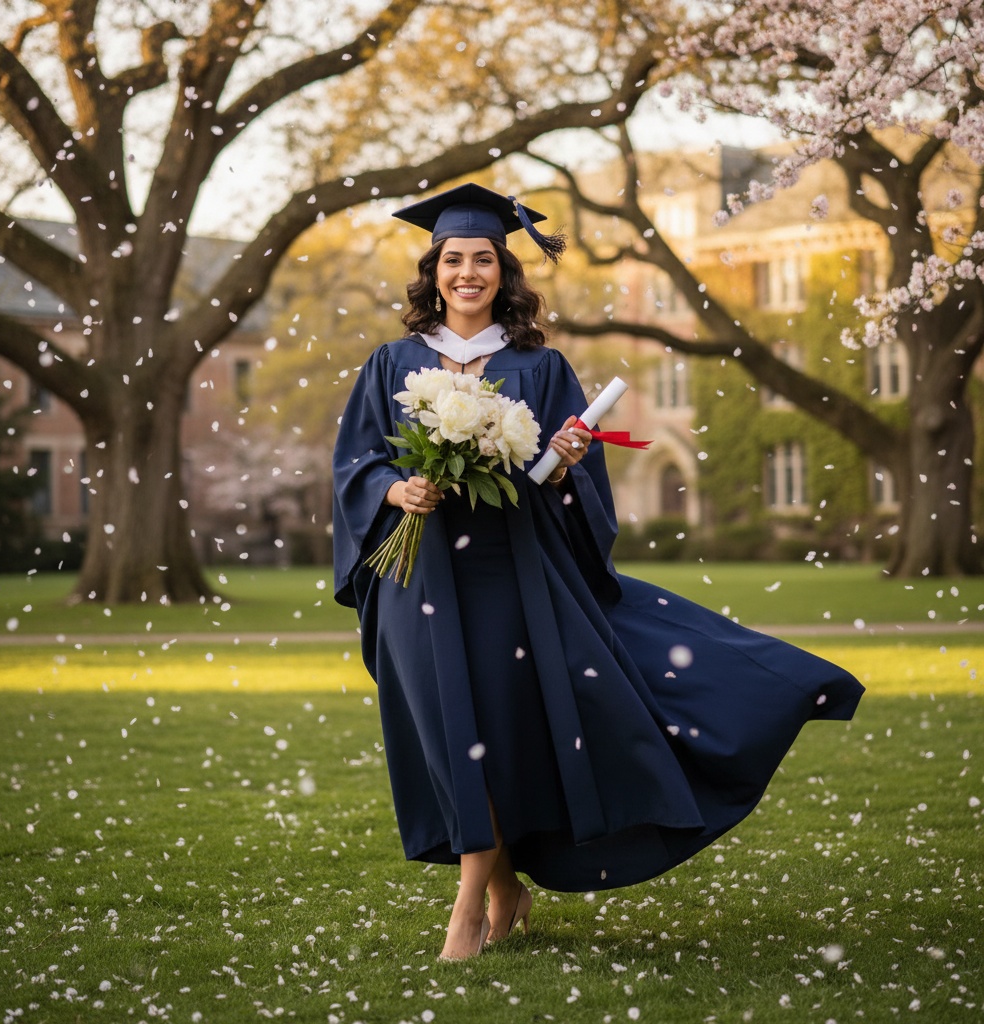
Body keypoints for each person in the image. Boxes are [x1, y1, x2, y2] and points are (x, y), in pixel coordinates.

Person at [332, 182, 864, 961]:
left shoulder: (539, 367)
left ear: (504, 272)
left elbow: (566, 479)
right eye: (454, 260)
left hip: (510, 574)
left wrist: (563, 466)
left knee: (495, 732)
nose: (468, 273)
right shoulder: (391, 363)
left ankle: (468, 905)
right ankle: (506, 884)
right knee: (449, 731)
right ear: (433, 270)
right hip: (421, 576)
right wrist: (396, 487)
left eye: (484, 259)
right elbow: (357, 461)